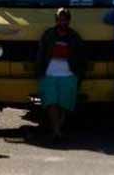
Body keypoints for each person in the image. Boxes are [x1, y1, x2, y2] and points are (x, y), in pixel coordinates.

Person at [36, 8, 85, 141]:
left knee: (63, 104)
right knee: (51, 102)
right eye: (59, 19)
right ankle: (56, 131)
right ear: (56, 20)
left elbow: (81, 57)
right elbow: (41, 54)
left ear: (69, 21)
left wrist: (79, 74)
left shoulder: (74, 37)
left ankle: (58, 127)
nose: (62, 22)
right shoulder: (48, 35)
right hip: (49, 74)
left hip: (68, 75)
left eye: (65, 19)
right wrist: (40, 72)